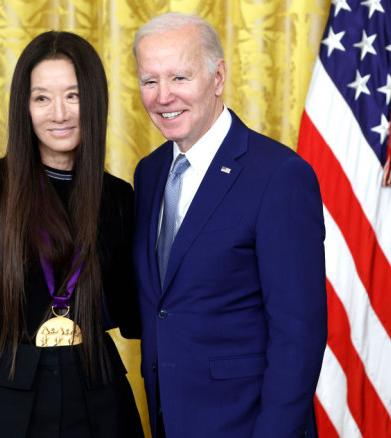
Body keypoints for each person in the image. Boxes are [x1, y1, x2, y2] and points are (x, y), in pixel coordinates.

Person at [131, 12, 327, 438]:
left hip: (248, 424)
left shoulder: (279, 176)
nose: (163, 96)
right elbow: (159, 299)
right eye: (150, 81)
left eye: (179, 77)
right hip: (168, 419)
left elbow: (299, 334)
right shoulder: (148, 174)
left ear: (218, 77)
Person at [0, 31, 143, 438]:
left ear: (94, 100)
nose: (59, 113)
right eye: (41, 98)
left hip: (98, 390)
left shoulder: (118, 197)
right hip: (4, 389)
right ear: (25, 107)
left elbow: (131, 316)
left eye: (73, 95)